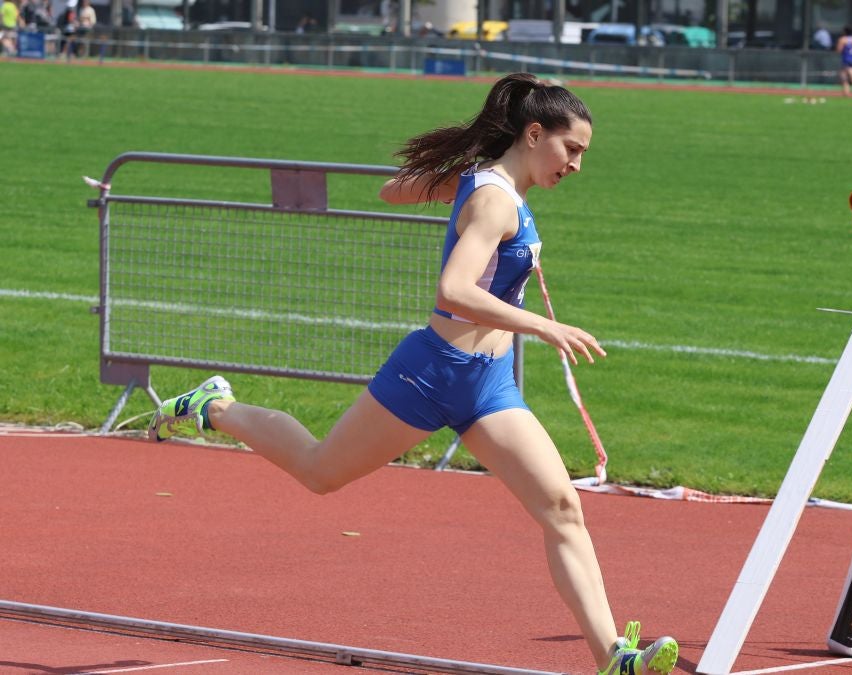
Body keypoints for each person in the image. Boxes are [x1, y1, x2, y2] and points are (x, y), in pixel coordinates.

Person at [147, 72, 679, 675]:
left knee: (561, 508)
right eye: (572, 149)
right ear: (535, 133)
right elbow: (453, 289)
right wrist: (542, 324)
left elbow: (393, 192)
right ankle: (214, 405)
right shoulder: (496, 198)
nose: (577, 164)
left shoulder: (491, 187)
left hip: (489, 386)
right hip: (430, 373)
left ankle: (616, 657)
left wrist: (461, 178)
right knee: (320, 472)